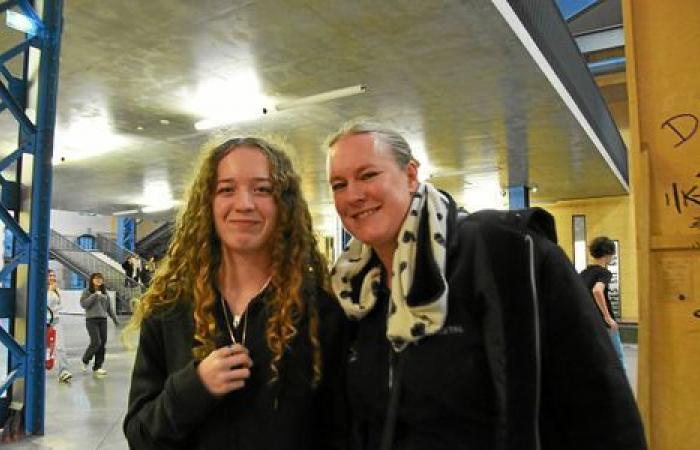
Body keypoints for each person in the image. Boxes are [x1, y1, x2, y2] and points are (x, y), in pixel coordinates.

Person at [325, 119, 647, 450]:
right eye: (338, 184)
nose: (354, 195)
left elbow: (600, 407)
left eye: (368, 175)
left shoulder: (506, 255)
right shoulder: (354, 294)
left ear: (410, 175)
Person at [123, 137, 348, 449]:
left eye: (262, 189)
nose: (244, 203)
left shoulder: (320, 313)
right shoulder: (169, 308)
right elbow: (140, 435)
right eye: (227, 189)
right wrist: (194, 388)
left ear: (284, 204)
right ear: (208, 204)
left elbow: (341, 434)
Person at [580, 236, 625, 369]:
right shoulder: (604, 273)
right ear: (607, 254)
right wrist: (608, 317)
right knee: (617, 357)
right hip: (604, 323)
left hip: (588, 322)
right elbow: (597, 291)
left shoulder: (584, 273)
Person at [80, 272, 119, 377]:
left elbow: (109, 308)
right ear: (92, 280)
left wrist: (116, 320)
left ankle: (98, 366)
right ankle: (85, 360)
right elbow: (84, 304)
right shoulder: (87, 292)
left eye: (100, 279)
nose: (98, 280)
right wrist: (94, 295)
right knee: (96, 342)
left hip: (103, 320)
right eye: (96, 279)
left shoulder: (105, 293)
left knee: (102, 344)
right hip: (91, 320)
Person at [47, 269, 73, 383]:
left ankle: (64, 371)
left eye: (54, 275)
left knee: (60, 347)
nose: (53, 278)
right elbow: (45, 305)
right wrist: (49, 291)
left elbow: (60, 305)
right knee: (43, 348)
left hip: (55, 321)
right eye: (50, 276)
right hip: (43, 322)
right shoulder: (42, 290)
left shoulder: (56, 290)